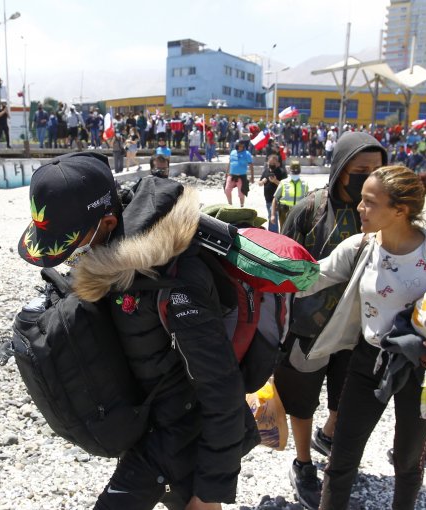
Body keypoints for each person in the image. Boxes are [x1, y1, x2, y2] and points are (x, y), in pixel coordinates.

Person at [16, 152, 259, 510]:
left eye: (70, 249)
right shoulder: (105, 253)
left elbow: (222, 389)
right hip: (146, 419)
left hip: (183, 429)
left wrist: (210, 492)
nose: (69, 261)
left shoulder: (172, 283)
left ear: (110, 221)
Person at [296, 165, 426, 510]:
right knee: (341, 457)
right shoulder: (361, 246)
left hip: (422, 370)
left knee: (408, 461)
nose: (359, 208)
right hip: (368, 361)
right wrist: (260, 269)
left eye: (369, 202)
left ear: (401, 210)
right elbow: (312, 277)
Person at [277, 132, 387, 508]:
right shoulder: (309, 210)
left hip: (359, 330)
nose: (368, 176)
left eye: (376, 169)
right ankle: (304, 462)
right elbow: (281, 267)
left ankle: (330, 435)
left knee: (346, 399)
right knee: (302, 399)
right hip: (308, 328)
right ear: (340, 169)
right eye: (360, 170)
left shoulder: (385, 213)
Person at [271, 161, 308, 232]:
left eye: (296, 173)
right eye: (294, 173)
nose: (295, 175)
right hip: (284, 212)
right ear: (289, 171)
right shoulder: (283, 182)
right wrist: (272, 215)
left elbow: (307, 200)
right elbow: (275, 199)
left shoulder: (305, 184)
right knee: (284, 232)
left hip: (299, 212)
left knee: (297, 233)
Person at [258, 154, 286, 233]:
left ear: (278, 163)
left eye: (273, 163)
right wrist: (262, 182)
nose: (271, 165)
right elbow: (259, 183)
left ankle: (273, 234)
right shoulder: (266, 171)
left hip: (278, 199)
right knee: (271, 216)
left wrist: (275, 181)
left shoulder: (281, 172)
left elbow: (285, 186)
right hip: (267, 199)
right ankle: (275, 233)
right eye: (270, 163)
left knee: (273, 216)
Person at [226, 140, 254, 207]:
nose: (241, 147)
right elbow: (230, 162)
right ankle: (230, 205)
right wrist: (227, 172)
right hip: (232, 175)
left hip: (241, 176)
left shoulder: (247, 154)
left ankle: (242, 206)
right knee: (227, 190)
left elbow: (251, 165)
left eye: (242, 146)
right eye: (239, 146)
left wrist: (252, 176)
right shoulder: (232, 152)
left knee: (241, 193)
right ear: (237, 146)